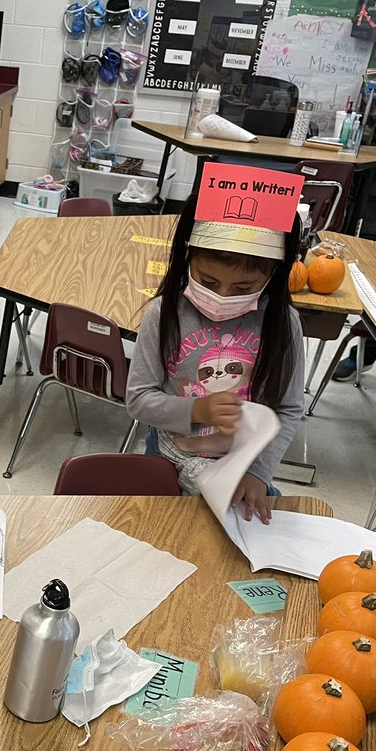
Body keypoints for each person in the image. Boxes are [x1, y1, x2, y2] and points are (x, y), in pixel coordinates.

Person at [126, 192, 304, 523]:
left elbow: (289, 407)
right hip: (170, 457)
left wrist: (259, 473)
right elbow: (138, 399)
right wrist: (196, 410)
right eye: (208, 281)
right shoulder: (163, 313)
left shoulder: (283, 323)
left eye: (243, 288)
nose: (221, 297)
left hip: (242, 466)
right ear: (187, 258)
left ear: (273, 275)